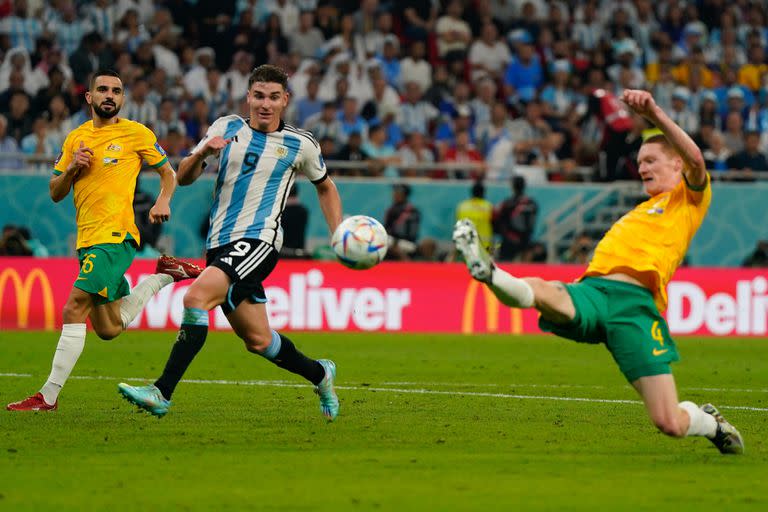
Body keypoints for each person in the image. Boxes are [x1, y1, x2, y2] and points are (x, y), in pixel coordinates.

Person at [453, 89, 744, 455]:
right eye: (640, 162)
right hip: (593, 292)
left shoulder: (687, 200)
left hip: (634, 310)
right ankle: (489, 272)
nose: (642, 168)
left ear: (676, 165)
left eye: (651, 160)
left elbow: (698, 160)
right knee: (547, 293)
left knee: (669, 422)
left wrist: (653, 113)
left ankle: (709, 423)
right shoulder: (640, 211)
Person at [117, 65, 343, 421]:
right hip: (220, 244)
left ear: (285, 100)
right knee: (258, 341)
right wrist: (204, 152)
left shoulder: (301, 144)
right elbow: (186, 177)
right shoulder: (227, 127)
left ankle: (161, 392)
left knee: (195, 298)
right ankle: (320, 374)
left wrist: (337, 234)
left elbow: (326, 187)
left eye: (273, 97)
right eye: (258, 96)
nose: (265, 104)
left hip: (260, 241)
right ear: (248, 97)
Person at [7, 69, 201, 412]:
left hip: (116, 235)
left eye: (116, 90)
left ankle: (47, 396)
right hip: (87, 239)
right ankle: (165, 275)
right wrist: (71, 169)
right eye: (102, 89)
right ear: (90, 97)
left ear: (122, 99)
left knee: (73, 308)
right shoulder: (74, 140)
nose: (109, 95)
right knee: (109, 328)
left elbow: (168, 172)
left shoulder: (136, 133)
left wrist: (163, 199)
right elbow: (55, 192)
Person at [493, 176, 538, 261]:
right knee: (525, 271)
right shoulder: (532, 203)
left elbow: (497, 219)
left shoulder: (507, 203)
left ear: (512, 187)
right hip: (526, 240)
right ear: (524, 186)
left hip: (510, 242)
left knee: (506, 270)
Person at [455, 181, 493, 250]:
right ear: (483, 192)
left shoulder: (462, 206)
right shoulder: (488, 207)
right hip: (483, 248)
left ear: (472, 192)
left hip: (465, 247)